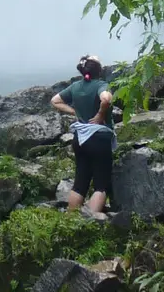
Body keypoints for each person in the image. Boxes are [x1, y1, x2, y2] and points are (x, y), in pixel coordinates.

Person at [50, 54, 116, 218]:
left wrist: (75, 111)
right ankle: (90, 221)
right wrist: (101, 114)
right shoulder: (101, 85)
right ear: (99, 71)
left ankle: (71, 220)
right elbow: (106, 99)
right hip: (99, 140)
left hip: (80, 139)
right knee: (101, 185)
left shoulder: (75, 87)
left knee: (80, 183)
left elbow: (55, 101)